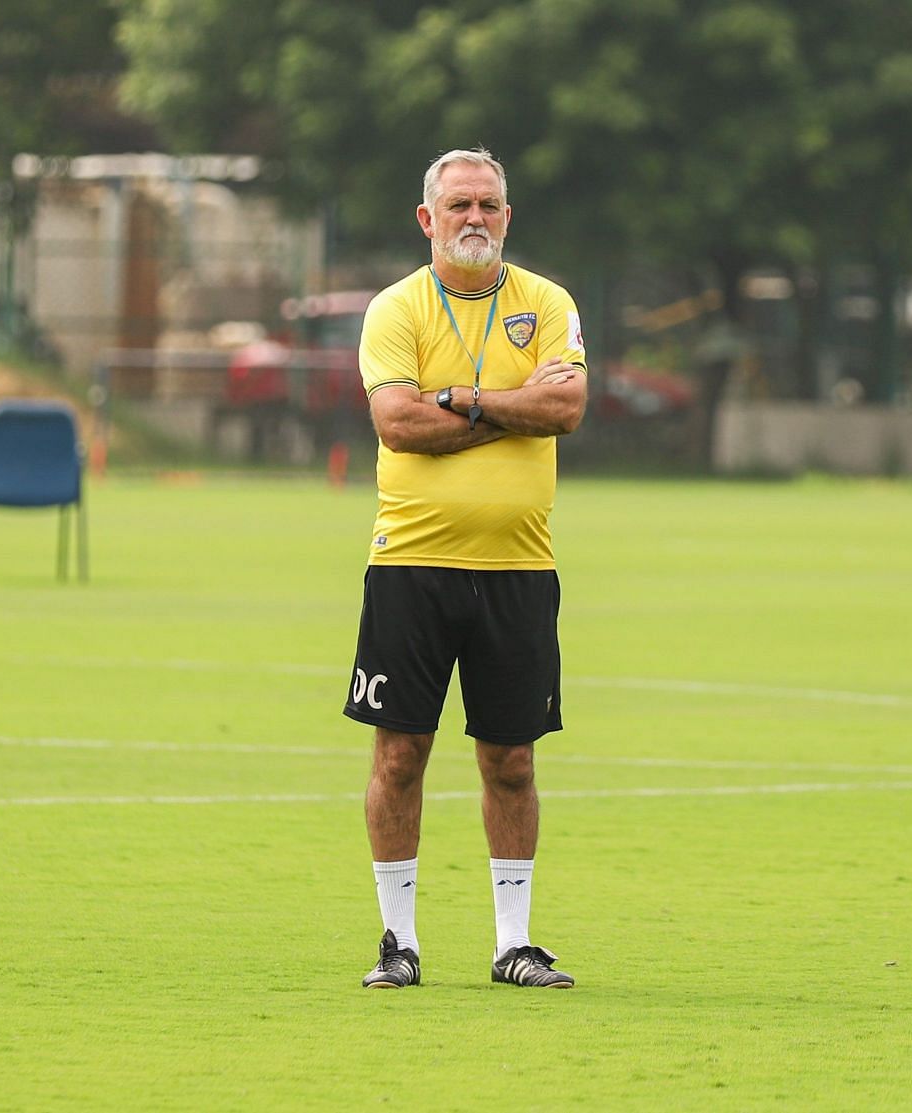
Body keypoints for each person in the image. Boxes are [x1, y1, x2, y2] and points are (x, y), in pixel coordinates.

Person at [346, 148, 588, 990]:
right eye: (459, 205)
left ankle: (514, 942)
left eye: (489, 203)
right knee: (400, 755)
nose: (474, 217)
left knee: (511, 759)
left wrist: (462, 398)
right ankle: (397, 940)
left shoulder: (548, 303)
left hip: (520, 567)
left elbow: (565, 406)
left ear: (508, 217)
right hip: (410, 565)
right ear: (428, 219)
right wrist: (510, 408)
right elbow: (398, 425)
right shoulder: (395, 309)